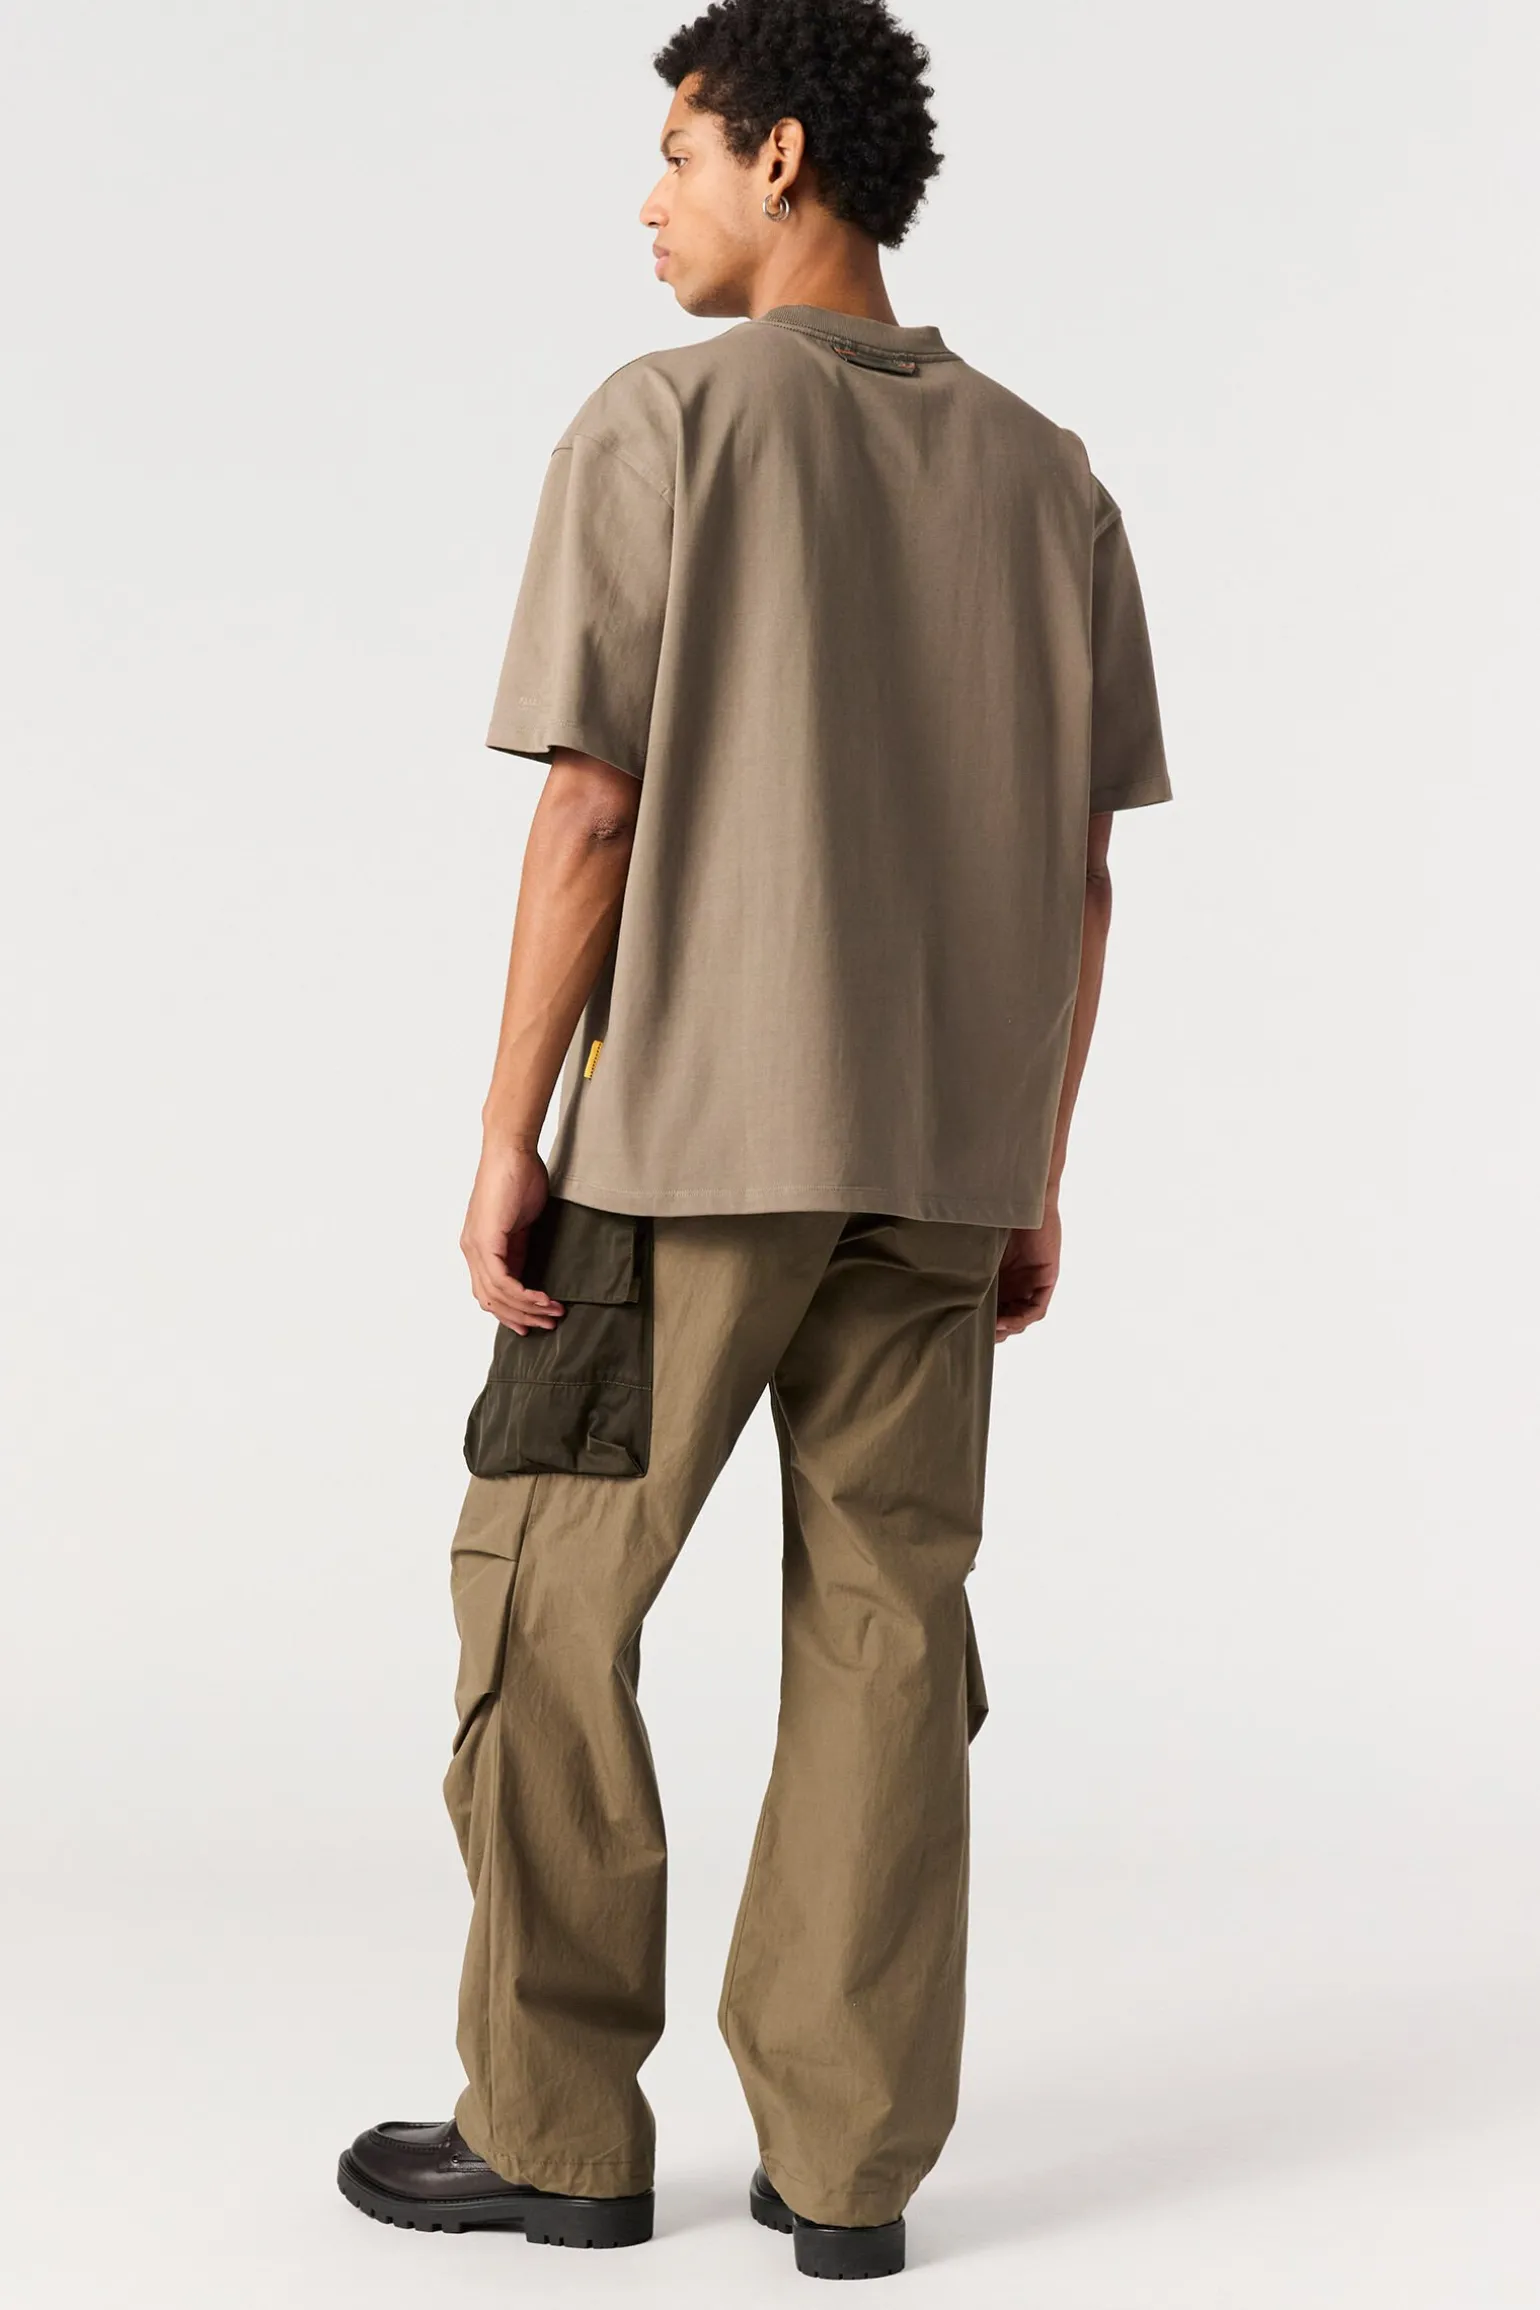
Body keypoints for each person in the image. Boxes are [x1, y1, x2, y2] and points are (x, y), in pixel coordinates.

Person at [336, 0, 1171, 2280]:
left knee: (544, 1599)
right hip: (938, 1167)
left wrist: (507, 1131)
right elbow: (1082, 875)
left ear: (782, 156)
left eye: (679, 155)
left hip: (682, 1150)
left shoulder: (670, 420)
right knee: (888, 1632)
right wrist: (1031, 1168)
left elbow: (591, 811)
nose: (651, 202)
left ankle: (554, 2133)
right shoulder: (1049, 474)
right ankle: (847, 2173)